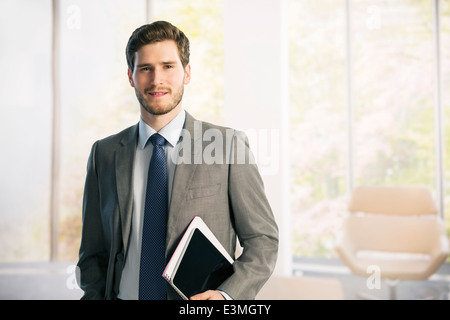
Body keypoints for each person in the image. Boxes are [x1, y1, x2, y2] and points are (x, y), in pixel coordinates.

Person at [76, 20, 279, 300]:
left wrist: (226, 295)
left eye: (168, 66)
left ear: (187, 73)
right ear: (131, 76)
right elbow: (93, 252)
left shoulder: (228, 146)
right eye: (145, 68)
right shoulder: (105, 154)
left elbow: (262, 241)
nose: (156, 79)